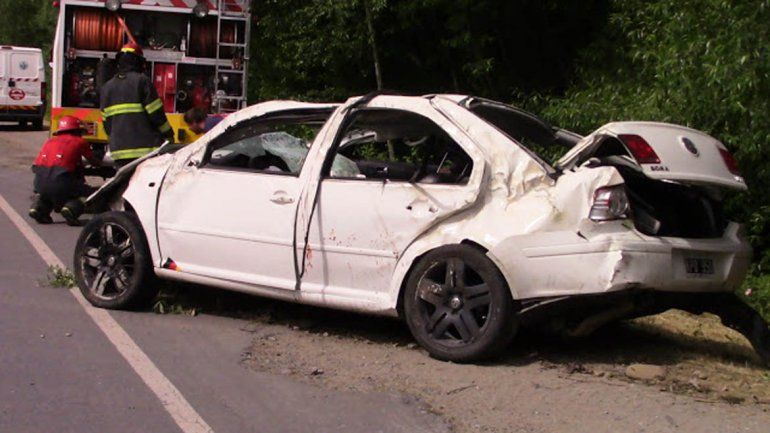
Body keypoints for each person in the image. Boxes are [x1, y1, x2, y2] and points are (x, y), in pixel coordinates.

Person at [100, 42, 173, 168]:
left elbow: (106, 124)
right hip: (146, 151)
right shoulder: (142, 81)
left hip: (119, 153)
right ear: (138, 62)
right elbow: (155, 113)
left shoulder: (107, 87)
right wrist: (168, 134)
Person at [29, 116, 101, 226]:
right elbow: (94, 162)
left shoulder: (50, 142)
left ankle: (38, 209)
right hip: (62, 182)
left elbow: (35, 166)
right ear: (76, 130)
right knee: (88, 193)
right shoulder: (79, 141)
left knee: (49, 194)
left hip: (39, 182)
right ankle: (70, 209)